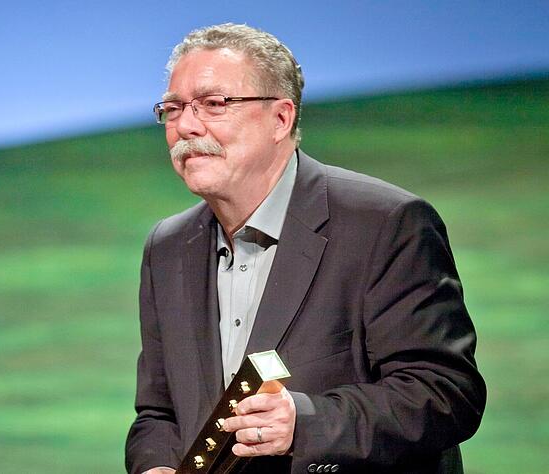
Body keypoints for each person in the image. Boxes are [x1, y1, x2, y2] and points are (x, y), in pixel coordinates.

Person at [125, 24, 486, 474]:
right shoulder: (168, 247)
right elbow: (158, 413)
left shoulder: (386, 223)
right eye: (173, 108)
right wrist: (155, 466)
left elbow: (445, 391)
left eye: (213, 104)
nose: (185, 126)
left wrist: (306, 423)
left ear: (281, 118)